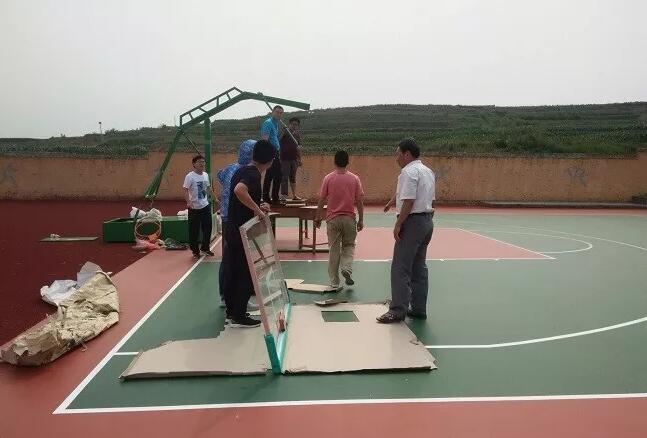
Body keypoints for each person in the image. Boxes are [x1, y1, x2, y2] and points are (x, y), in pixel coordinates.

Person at [377, 137, 435, 324]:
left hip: (412, 222)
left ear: (407, 154)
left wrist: (399, 224)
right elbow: (423, 197)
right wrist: (390, 202)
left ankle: (397, 310)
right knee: (419, 267)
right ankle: (418, 308)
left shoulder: (408, 172)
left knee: (400, 267)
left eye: (398, 154)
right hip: (427, 221)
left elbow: (409, 200)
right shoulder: (427, 171)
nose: (396, 158)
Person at [221, 140, 275, 327]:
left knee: (234, 272)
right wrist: (258, 211)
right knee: (244, 274)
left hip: (233, 230)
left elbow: (243, 197)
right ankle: (239, 316)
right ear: (270, 161)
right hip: (241, 233)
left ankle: (233, 312)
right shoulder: (253, 174)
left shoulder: (241, 170)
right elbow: (240, 191)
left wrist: (258, 205)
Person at [314, 150, 364, 290]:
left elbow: (322, 199)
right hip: (349, 218)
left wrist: (318, 217)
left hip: (333, 219)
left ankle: (334, 282)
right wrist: (361, 219)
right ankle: (346, 268)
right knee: (349, 245)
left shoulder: (328, 178)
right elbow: (359, 200)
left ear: (334, 161)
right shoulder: (355, 179)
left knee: (334, 250)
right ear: (348, 162)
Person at [216, 139, 255, 308]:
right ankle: (232, 297)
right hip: (236, 219)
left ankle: (231, 296)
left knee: (231, 258)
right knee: (235, 258)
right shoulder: (246, 171)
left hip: (228, 217)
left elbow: (220, 175)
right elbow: (242, 193)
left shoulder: (230, 168)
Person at [183, 155, 217, 258]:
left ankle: (205, 248)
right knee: (194, 230)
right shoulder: (190, 176)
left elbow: (208, 188)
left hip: (205, 206)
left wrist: (215, 198)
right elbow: (185, 190)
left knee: (208, 228)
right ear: (194, 164)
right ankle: (195, 251)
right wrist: (188, 202)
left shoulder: (205, 175)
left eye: (203, 161)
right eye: (199, 162)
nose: (202, 163)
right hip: (194, 208)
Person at [261, 105, 284, 204]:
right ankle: (273, 198)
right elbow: (264, 140)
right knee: (277, 174)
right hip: (271, 152)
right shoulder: (268, 123)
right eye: (277, 112)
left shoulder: (276, 124)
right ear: (272, 112)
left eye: (281, 113)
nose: (279, 114)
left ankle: (269, 197)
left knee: (271, 174)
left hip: (275, 152)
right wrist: (267, 154)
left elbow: (274, 138)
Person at [279, 117, 303, 200]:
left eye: (296, 125)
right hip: (285, 159)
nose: (294, 126)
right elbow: (278, 139)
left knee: (293, 178)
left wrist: (300, 159)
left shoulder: (297, 135)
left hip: (294, 159)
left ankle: (294, 195)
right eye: (293, 124)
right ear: (289, 124)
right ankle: (284, 195)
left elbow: (299, 148)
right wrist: (283, 130)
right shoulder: (285, 132)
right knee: (284, 177)